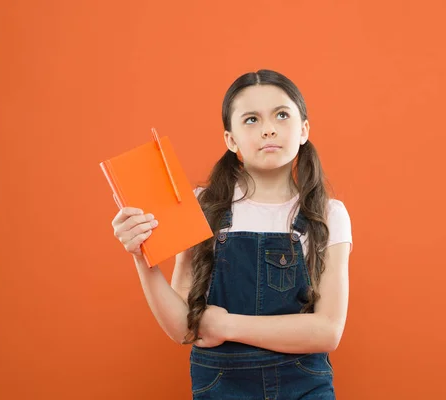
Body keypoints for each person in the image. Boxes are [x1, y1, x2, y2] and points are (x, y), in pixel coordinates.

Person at [111, 69, 352, 399]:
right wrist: (143, 257)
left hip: (304, 388)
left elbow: (327, 331)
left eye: (282, 115)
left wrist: (226, 326)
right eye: (251, 119)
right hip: (222, 388)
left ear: (304, 129)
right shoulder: (202, 207)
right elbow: (184, 326)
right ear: (231, 139)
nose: (268, 128)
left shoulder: (327, 214)